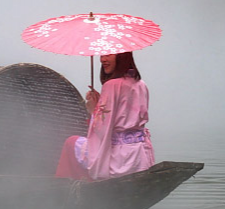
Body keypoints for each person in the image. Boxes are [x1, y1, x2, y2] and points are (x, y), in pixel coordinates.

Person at [55, 52, 155, 180]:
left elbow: (102, 129)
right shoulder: (141, 84)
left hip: (118, 159)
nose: (103, 59)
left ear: (121, 56)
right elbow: (122, 115)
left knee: (71, 142)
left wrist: (93, 110)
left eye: (108, 54)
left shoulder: (111, 85)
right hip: (140, 158)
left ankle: (70, 188)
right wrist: (100, 103)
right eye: (102, 55)